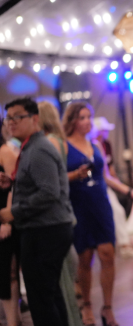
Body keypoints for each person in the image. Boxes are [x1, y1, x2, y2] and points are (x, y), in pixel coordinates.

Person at [63, 102, 133, 326]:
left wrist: (129, 191)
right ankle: (86, 304)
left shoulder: (96, 144)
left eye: (89, 116)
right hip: (80, 205)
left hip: (101, 204)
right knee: (85, 258)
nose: (88, 121)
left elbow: (106, 176)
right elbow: (58, 177)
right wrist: (74, 175)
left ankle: (107, 307)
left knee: (108, 254)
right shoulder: (64, 146)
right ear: (72, 121)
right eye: (82, 117)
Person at [0, 98, 74, 326]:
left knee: (41, 299)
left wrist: (14, 212)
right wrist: (12, 181)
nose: (11, 123)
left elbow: (49, 193)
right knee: (49, 296)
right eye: (8, 117)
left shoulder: (39, 149)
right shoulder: (31, 147)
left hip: (46, 231)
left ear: (34, 119)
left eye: (18, 117)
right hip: (44, 229)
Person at [37, 101, 84, 326]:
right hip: (65, 211)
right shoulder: (59, 141)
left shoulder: (50, 143)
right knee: (65, 274)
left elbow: (54, 181)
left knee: (63, 277)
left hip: (57, 214)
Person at [93, 117, 133, 258]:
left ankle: (124, 245)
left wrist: (121, 186)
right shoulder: (92, 145)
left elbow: (109, 172)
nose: (106, 133)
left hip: (104, 186)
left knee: (118, 211)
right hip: (94, 189)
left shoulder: (106, 145)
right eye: (104, 130)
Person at [0, 115, 20, 326]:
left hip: (5, 219)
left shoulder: (5, 152)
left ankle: (13, 321)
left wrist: (7, 220)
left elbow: (16, 185)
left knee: (8, 272)